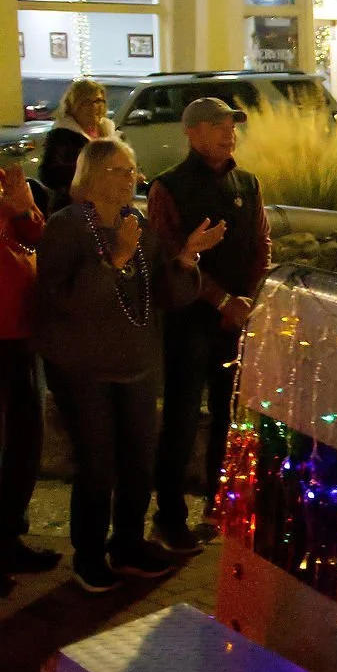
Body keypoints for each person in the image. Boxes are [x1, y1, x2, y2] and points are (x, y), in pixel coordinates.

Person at [36, 139, 224, 592]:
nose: (132, 178)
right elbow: (64, 304)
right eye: (122, 170)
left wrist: (186, 259)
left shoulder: (135, 223)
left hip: (135, 365)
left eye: (133, 169)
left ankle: (128, 543)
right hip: (84, 370)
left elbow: (163, 296)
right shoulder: (65, 228)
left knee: (139, 462)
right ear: (94, 176)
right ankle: (88, 555)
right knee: (98, 466)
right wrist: (116, 258)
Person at [147, 98, 269, 552]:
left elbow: (262, 242)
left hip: (236, 321)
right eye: (218, 126)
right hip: (189, 322)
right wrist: (221, 299)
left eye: (232, 126)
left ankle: (220, 507)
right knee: (179, 420)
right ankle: (169, 518)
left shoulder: (249, 183)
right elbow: (168, 253)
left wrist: (251, 298)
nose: (228, 134)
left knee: (228, 419)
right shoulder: (169, 188)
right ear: (192, 133)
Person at [1, 166, 57, 590]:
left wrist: (23, 208)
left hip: (21, 330)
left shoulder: (8, 181)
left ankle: (8, 537)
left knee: (25, 439)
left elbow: (35, 239)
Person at [36, 80, 115, 212]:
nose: (94, 107)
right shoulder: (62, 135)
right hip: (73, 207)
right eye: (86, 102)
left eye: (98, 101)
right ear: (73, 106)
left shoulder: (109, 132)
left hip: (106, 204)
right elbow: (48, 174)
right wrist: (88, 170)